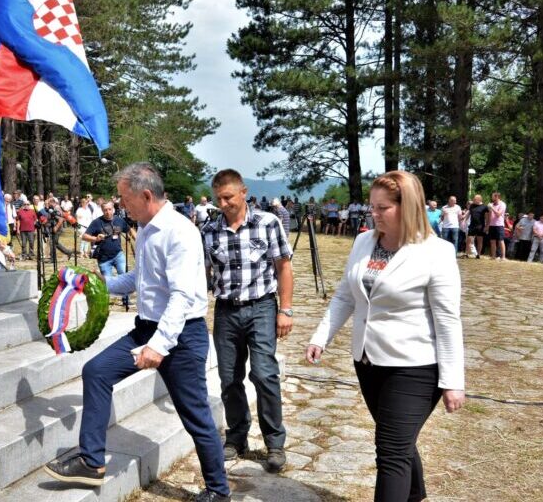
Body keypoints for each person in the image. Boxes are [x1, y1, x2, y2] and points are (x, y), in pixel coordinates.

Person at [44, 163, 231, 502]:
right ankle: (91, 462)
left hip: (182, 336)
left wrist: (159, 346)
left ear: (146, 195)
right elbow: (141, 279)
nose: (120, 205)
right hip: (145, 328)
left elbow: (182, 295)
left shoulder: (180, 232)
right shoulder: (145, 228)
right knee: (96, 372)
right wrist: (99, 286)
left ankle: (219, 491)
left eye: (124, 198)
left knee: (195, 416)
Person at [305, 170, 465, 502]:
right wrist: (321, 336)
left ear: (407, 207)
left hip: (415, 366)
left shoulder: (436, 252)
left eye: (382, 208)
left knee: (390, 451)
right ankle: (415, 496)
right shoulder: (364, 241)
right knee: (399, 441)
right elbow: (345, 296)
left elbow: (447, 320)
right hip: (367, 360)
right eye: (371, 207)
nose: (373, 214)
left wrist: (453, 380)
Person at [201, 170, 293, 473]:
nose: (224, 203)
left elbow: (283, 267)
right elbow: (205, 272)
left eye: (228, 197)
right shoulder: (210, 230)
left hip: (262, 307)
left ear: (243, 192)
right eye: (219, 198)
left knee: (265, 374)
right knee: (229, 378)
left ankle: (274, 443)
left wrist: (286, 310)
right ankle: (237, 436)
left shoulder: (267, 223)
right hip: (226, 310)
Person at [84, 201, 132, 306]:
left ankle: (126, 300)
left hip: (118, 255)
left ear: (113, 209)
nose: (108, 212)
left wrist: (136, 238)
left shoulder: (119, 220)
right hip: (104, 258)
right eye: (105, 210)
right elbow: (85, 236)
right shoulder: (97, 222)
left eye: (109, 209)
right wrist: (95, 238)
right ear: (102, 210)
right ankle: (105, 302)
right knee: (107, 282)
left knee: (123, 277)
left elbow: (129, 230)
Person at [487, 192, 507, 260]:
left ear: (497, 197)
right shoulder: (492, 204)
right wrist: (488, 225)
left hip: (499, 225)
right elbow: (489, 215)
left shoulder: (502, 204)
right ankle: (493, 256)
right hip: (492, 225)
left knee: (500, 241)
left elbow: (498, 214)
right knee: (492, 241)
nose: (492, 198)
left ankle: (503, 257)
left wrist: (492, 208)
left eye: (493, 196)